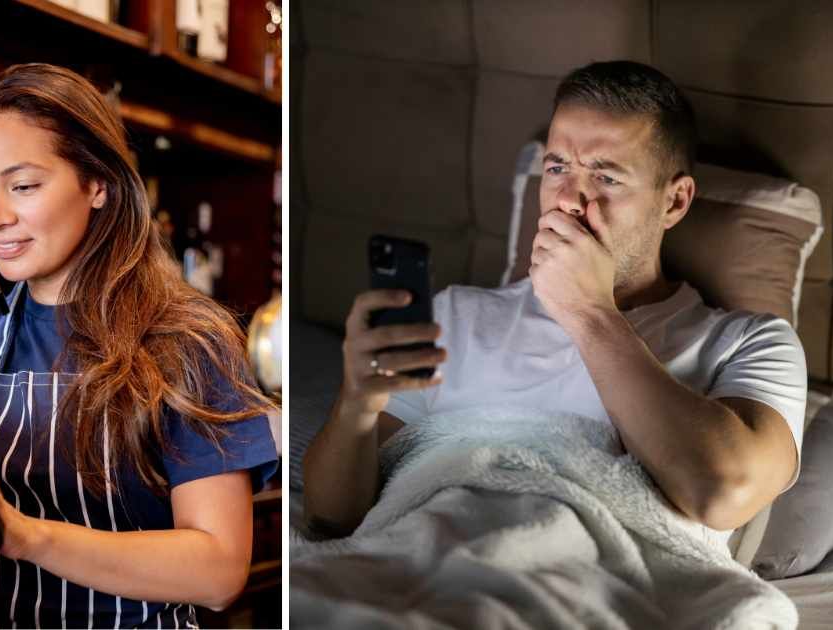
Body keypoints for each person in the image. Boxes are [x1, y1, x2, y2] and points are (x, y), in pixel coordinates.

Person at [303, 60, 806, 539]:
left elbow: (721, 493)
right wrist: (355, 405)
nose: (569, 199)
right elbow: (335, 518)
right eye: (558, 167)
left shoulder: (750, 343)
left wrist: (588, 311)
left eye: (606, 178)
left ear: (674, 201)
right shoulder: (454, 316)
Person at [0, 63, 278, 629]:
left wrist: (24, 535)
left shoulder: (185, 339)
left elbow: (219, 572)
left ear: (97, 183)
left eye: (23, 185)